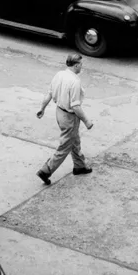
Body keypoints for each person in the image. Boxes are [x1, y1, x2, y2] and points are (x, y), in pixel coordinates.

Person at [36, 52, 93, 184]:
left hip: (59, 112)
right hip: (69, 117)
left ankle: (79, 166)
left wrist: (42, 108)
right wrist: (87, 121)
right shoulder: (75, 81)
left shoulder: (59, 74)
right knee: (65, 146)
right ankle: (45, 171)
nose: (82, 67)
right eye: (81, 64)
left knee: (74, 140)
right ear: (76, 65)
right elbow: (75, 106)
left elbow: (49, 93)